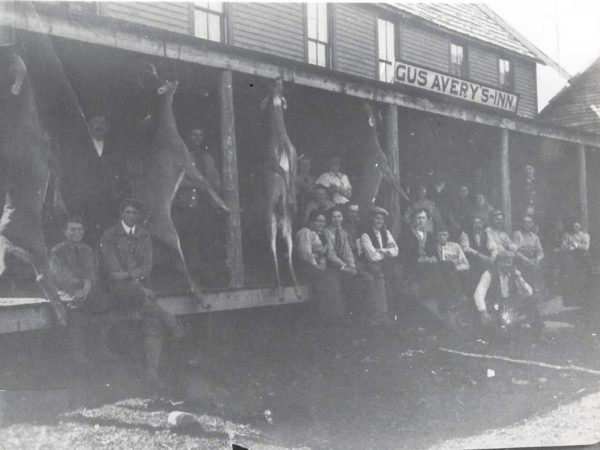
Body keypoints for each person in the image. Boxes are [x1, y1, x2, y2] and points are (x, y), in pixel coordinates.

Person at [100, 198, 184, 390]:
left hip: (138, 288)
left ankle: (152, 371)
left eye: (134, 213)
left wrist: (134, 280)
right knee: (146, 303)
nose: (131, 216)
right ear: (121, 214)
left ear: (139, 216)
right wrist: (137, 283)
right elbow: (113, 270)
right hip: (114, 288)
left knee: (152, 321)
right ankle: (169, 317)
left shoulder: (144, 235)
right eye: (127, 212)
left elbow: (147, 266)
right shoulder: (110, 235)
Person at [49, 215, 110, 369]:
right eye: (72, 229)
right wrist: (79, 288)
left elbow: (91, 273)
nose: (76, 232)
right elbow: (61, 277)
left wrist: (85, 289)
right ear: (65, 232)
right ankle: (78, 356)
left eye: (80, 229)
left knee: (105, 304)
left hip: (85, 290)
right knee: (74, 312)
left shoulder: (87, 250)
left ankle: (101, 347)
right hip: (65, 290)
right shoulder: (57, 251)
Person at [172, 127, 225, 284]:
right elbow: (176, 179)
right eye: (194, 134)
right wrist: (194, 185)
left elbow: (215, 178)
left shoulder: (207, 157)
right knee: (190, 242)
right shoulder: (181, 156)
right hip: (188, 206)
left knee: (207, 240)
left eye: (200, 135)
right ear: (188, 136)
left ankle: (208, 278)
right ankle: (191, 279)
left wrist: (213, 189)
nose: (197, 138)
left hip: (206, 206)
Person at [84, 114, 127, 244]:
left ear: (107, 128)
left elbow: (122, 176)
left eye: (103, 123)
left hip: (109, 204)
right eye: (96, 122)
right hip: (86, 203)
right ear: (89, 126)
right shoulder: (81, 148)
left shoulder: (115, 150)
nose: (99, 126)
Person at [296, 210, 347, 322]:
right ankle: (327, 317)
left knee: (334, 277)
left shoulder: (319, 235)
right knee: (327, 280)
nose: (322, 224)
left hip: (318, 266)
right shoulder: (305, 232)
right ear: (311, 220)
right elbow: (305, 253)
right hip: (306, 266)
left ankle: (336, 315)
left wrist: (322, 262)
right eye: (319, 220)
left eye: (324, 222)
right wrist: (317, 264)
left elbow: (324, 254)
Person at [474, 251, 540, 334]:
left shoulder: (514, 273)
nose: (506, 265)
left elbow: (528, 293)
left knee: (531, 301)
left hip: (510, 302)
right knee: (499, 327)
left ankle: (537, 330)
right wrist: (483, 312)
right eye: (503, 262)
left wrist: (519, 278)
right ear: (497, 262)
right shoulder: (489, 273)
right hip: (495, 303)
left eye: (508, 262)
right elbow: (479, 294)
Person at [360, 207, 399, 325]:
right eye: (377, 218)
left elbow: (396, 251)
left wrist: (381, 250)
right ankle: (378, 315)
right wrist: (387, 251)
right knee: (378, 281)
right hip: (369, 265)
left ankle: (388, 313)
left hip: (385, 264)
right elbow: (372, 256)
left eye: (382, 219)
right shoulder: (365, 235)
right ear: (372, 218)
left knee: (393, 279)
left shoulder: (386, 233)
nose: (379, 221)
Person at [401, 208, 438, 303]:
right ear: (413, 219)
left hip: (428, 263)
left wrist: (433, 257)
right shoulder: (406, 234)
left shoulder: (430, 235)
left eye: (423, 218)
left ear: (426, 219)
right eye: (418, 218)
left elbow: (434, 251)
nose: (421, 220)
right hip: (413, 264)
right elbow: (404, 253)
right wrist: (419, 259)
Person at [559, 221, 590, 305]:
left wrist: (575, 245)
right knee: (572, 279)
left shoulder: (585, 235)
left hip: (581, 260)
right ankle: (573, 301)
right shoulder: (568, 236)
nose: (575, 228)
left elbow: (586, 247)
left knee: (582, 279)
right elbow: (563, 247)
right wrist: (570, 246)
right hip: (571, 260)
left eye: (577, 226)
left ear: (580, 227)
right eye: (574, 226)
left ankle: (584, 300)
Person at [460, 216, 494, 293]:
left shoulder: (486, 234)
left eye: (480, 223)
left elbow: (493, 246)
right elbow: (465, 248)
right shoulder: (465, 234)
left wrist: (492, 256)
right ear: (472, 224)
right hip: (472, 259)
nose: (478, 225)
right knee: (473, 275)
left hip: (485, 260)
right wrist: (478, 254)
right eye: (476, 223)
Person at [513, 215, 544, 295]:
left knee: (536, 270)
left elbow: (540, 251)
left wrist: (538, 259)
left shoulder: (534, 237)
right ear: (521, 224)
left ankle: (535, 294)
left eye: (529, 222)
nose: (527, 224)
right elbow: (515, 251)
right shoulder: (517, 234)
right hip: (520, 262)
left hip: (532, 262)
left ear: (532, 224)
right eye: (525, 222)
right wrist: (525, 259)